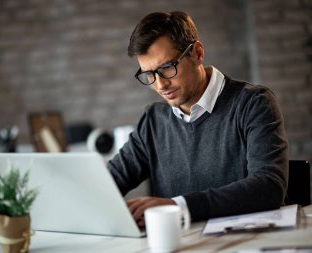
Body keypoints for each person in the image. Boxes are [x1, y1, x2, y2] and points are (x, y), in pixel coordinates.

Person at [107, 11, 289, 225]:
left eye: (167, 68)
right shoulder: (154, 119)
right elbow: (110, 181)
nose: (160, 84)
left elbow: (269, 187)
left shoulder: (254, 103)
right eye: (149, 74)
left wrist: (177, 207)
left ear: (198, 54)